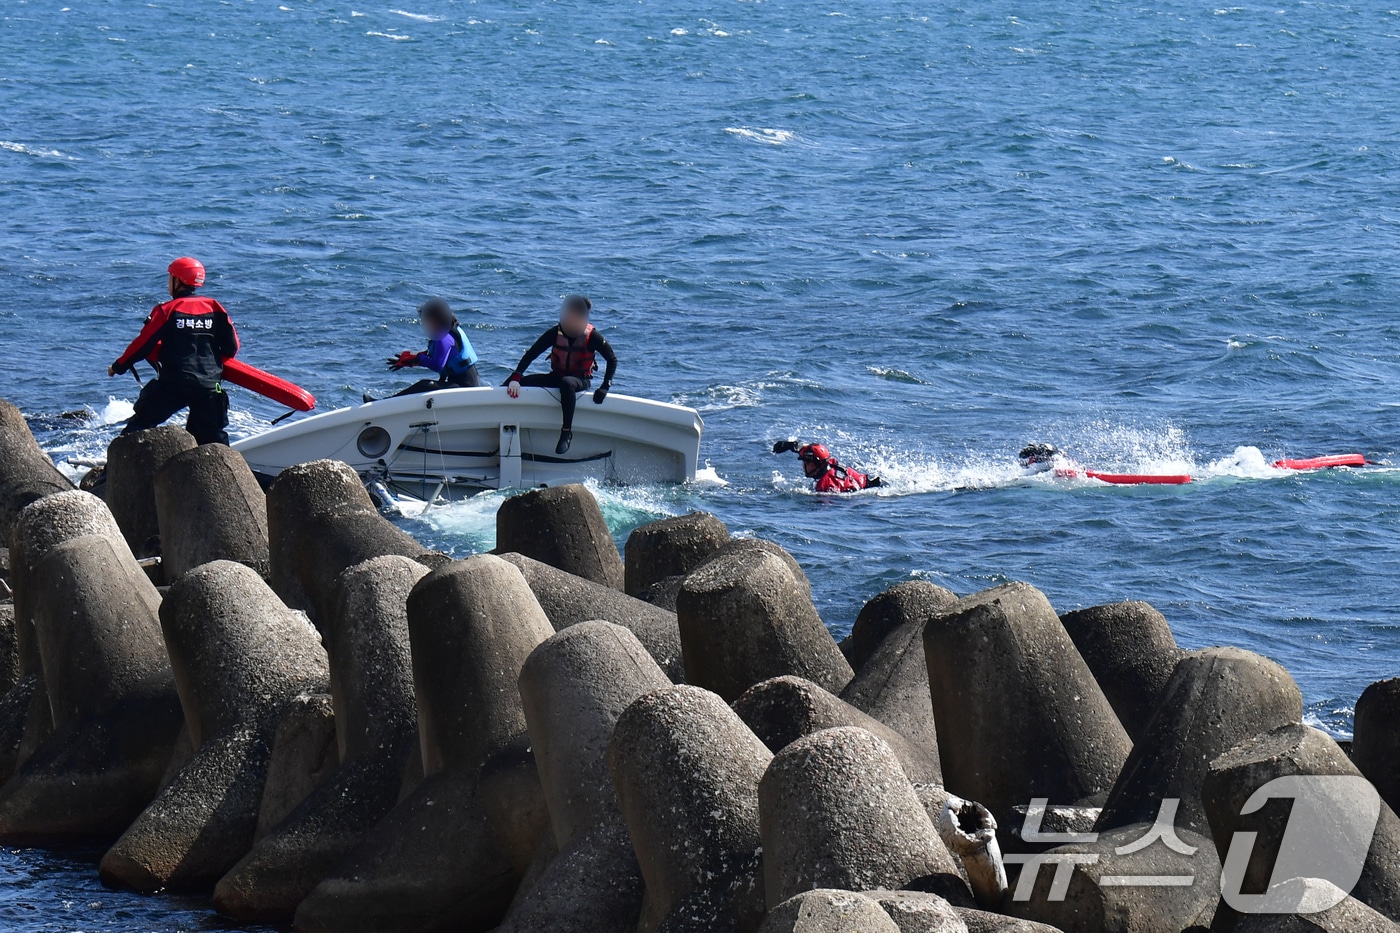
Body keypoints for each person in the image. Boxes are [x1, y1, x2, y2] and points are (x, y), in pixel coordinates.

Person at [108, 257, 239, 445]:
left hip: (174, 384)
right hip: (209, 385)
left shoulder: (167, 309)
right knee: (212, 438)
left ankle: (110, 473)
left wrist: (118, 367)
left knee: (139, 427)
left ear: (177, 281)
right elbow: (232, 347)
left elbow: (142, 345)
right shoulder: (215, 307)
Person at [506, 294, 618, 455]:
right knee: (515, 381)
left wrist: (605, 386)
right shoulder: (556, 332)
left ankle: (566, 432)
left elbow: (612, 359)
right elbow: (532, 353)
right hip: (557, 376)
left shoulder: (592, 336)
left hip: (580, 380)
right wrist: (516, 378)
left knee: (566, 383)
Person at [367, 298, 481, 402]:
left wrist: (420, 359)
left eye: (429, 321)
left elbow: (437, 365)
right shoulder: (447, 332)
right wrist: (410, 361)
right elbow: (436, 357)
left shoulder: (444, 337)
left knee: (426, 385)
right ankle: (386, 402)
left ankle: (383, 403)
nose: (427, 324)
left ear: (439, 319)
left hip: (466, 387)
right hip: (463, 385)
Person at [772, 439, 882, 492]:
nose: (802, 466)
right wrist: (788, 445)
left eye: (805, 462)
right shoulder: (829, 462)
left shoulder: (825, 485)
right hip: (868, 480)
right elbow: (808, 449)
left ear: (813, 463)